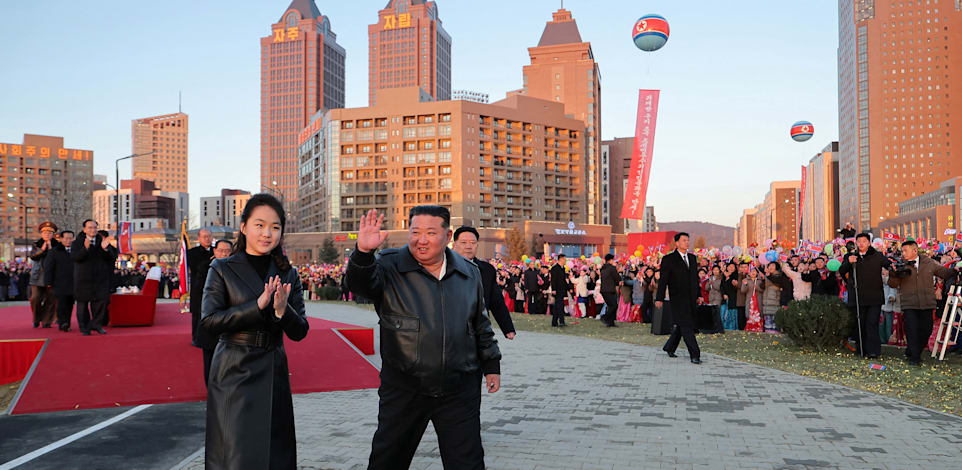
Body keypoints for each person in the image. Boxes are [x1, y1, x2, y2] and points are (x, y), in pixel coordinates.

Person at [346, 206, 501, 470]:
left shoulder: (468, 272)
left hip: (459, 388)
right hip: (405, 388)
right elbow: (359, 286)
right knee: (387, 461)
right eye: (415, 232)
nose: (422, 239)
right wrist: (362, 253)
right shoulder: (389, 264)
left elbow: (480, 324)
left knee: (468, 463)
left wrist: (491, 365)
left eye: (431, 232)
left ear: (448, 234)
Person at [200, 194, 309, 468]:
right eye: (259, 225)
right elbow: (210, 321)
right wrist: (258, 305)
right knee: (235, 455)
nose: (267, 233)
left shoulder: (289, 273)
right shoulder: (222, 267)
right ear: (244, 226)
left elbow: (300, 332)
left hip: (273, 368)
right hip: (233, 370)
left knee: (275, 453)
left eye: (275, 227)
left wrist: (283, 312)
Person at [886, 240, 958, 365]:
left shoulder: (929, 262)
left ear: (915, 250)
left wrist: (955, 270)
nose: (903, 253)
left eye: (905, 250)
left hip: (927, 303)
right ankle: (915, 358)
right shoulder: (901, 264)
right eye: (902, 251)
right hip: (909, 303)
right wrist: (893, 274)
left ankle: (912, 351)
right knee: (912, 330)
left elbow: (943, 273)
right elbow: (893, 284)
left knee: (926, 330)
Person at [452, 226, 516, 338]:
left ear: (477, 245)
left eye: (472, 242)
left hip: (480, 328)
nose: (468, 246)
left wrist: (508, 328)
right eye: (463, 242)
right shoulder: (443, 268)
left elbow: (496, 301)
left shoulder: (487, 270)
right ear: (454, 245)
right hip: (451, 328)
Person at [838, 233, 892, 358]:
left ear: (869, 243)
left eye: (864, 241)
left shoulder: (877, 256)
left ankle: (873, 351)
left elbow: (888, 264)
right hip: (857, 297)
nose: (861, 243)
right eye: (859, 241)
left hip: (874, 297)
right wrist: (848, 263)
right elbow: (842, 271)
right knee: (859, 324)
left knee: (872, 323)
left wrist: (892, 267)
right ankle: (861, 350)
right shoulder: (851, 256)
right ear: (856, 243)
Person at [656, 232, 702, 364]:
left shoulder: (692, 258)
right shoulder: (668, 259)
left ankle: (669, 347)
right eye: (683, 240)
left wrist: (698, 295)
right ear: (677, 243)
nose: (687, 243)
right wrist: (659, 298)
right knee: (687, 326)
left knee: (682, 325)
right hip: (677, 298)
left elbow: (695, 279)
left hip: (691, 298)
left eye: (688, 240)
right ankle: (695, 355)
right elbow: (663, 281)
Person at [71, 220, 117, 336]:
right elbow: (75, 258)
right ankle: (84, 327)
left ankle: (96, 324)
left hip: (100, 278)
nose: (93, 230)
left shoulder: (102, 241)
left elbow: (111, 258)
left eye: (95, 228)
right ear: (84, 229)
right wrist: (85, 249)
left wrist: (104, 249)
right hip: (83, 279)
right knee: (82, 305)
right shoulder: (77, 242)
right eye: (90, 228)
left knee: (101, 302)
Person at [188, 228, 217, 384]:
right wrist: (210, 260)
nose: (207, 239)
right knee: (198, 314)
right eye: (204, 237)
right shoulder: (192, 252)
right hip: (199, 288)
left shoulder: (217, 250)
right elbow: (196, 268)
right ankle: (195, 336)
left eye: (209, 236)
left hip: (215, 287)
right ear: (199, 238)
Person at [29, 222, 59, 328]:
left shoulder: (57, 245)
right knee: (35, 298)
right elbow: (33, 256)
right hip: (37, 276)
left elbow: (58, 259)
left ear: (53, 234)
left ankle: (47, 320)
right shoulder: (36, 244)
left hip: (52, 276)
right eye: (44, 232)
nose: (47, 234)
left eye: (49, 232)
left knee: (51, 299)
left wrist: (50, 249)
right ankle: (36, 319)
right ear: (41, 233)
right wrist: (42, 249)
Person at [44, 230, 75, 331]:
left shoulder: (77, 250)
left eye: (70, 238)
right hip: (59, 283)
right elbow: (48, 268)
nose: (68, 240)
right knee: (62, 303)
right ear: (61, 239)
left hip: (74, 283)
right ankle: (63, 323)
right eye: (66, 238)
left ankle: (67, 322)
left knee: (70, 304)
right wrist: (48, 282)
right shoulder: (54, 251)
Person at [599, 254, 620, 327]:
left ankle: (610, 323)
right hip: (610, 290)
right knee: (614, 306)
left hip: (603, 290)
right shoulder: (612, 268)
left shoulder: (603, 268)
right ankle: (604, 317)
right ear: (611, 260)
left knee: (610, 306)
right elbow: (617, 278)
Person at [549, 254, 569, 327]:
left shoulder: (563, 268)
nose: (565, 260)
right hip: (557, 290)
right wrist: (553, 289)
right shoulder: (554, 268)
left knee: (558, 306)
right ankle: (561, 321)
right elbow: (553, 280)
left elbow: (563, 280)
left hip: (562, 289)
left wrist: (568, 288)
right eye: (564, 259)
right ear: (561, 259)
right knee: (559, 306)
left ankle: (554, 322)